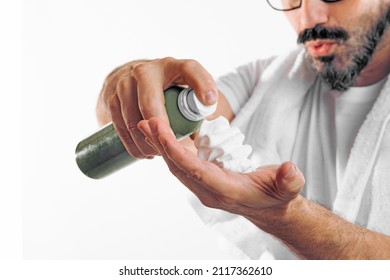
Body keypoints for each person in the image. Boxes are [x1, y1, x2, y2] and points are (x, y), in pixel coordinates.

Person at [96, 0, 390, 259]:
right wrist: (129, 81)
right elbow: (126, 113)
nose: (309, 17)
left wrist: (283, 216)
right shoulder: (267, 81)